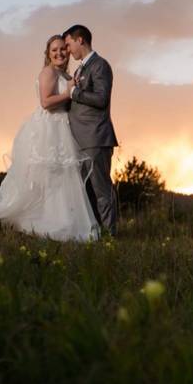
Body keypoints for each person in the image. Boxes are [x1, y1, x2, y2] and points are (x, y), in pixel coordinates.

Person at [0, 35, 100, 241]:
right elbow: (46, 102)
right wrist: (70, 93)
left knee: (59, 179)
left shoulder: (64, 74)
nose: (59, 53)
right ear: (48, 54)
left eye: (63, 49)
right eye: (54, 50)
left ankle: (60, 220)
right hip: (49, 129)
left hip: (61, 128)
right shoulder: (48, 72)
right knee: (42, 179)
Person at [63, 24, 119, 236]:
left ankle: (110, 237)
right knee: (86, 193)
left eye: (68, 44)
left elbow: (101, 99)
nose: (68, 50)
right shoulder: (80, 69)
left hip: (96, 138)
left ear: (80, 40)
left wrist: (75, 92)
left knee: (102, 191)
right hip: (81, 141)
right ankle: (94, 235)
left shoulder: (100, 65)